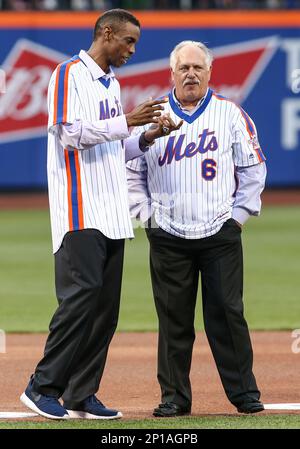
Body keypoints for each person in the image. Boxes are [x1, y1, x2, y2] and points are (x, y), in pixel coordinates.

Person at [20, 9, 179, 421]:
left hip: (112, 213)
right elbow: (69, 134)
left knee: (105, 310)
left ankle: (80, 392)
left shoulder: (111, 84)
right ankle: (42, 387)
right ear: (105, 33)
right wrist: (126, 120)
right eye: (128, 41)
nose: (131, 50)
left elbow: (112, 146)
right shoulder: (68, 74)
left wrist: (145, 135)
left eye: (134, 44)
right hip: (79, 210)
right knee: (79, 300)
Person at [127, 40, 267, 417]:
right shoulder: (151, 116)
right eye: (183, 68)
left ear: (209, 73)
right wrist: (146, 215)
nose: (190, 74)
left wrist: (238, 218)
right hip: (168, 233)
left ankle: (244, 394)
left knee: (227, 313)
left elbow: (253, 169)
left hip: (219, 232)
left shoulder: (230, 114)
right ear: (171, 73)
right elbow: (130, 170)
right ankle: (174, 397)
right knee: (173, 319)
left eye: (197, 68)